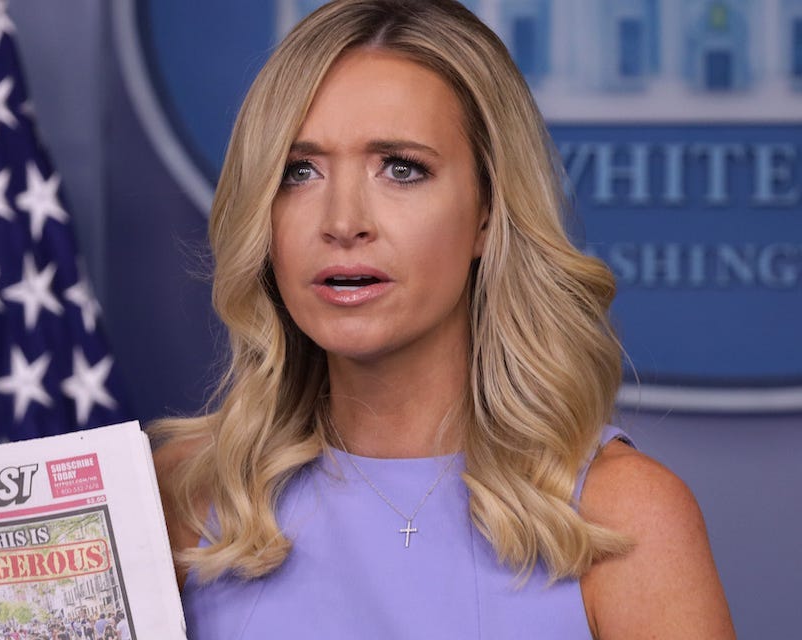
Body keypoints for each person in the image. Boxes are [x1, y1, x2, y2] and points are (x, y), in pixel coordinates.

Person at [152, 0, 735, 637]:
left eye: (402, 169)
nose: (343, 222)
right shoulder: (186, 493)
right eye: (299, 171)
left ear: (487, 211)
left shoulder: (624, 512)